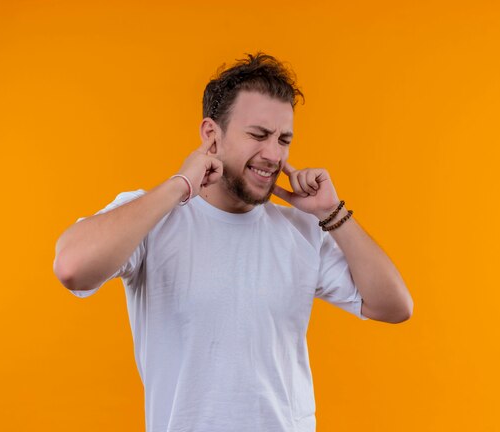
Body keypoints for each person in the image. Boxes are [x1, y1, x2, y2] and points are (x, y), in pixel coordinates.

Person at [53, 52, 413, 432]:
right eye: (258, 135)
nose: (273, 154)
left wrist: (332, 213)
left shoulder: (301, 229)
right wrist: (181, 185)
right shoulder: (154, 217)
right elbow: (72, 268)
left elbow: (395, 305)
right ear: (211, 135)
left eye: (284, 139)